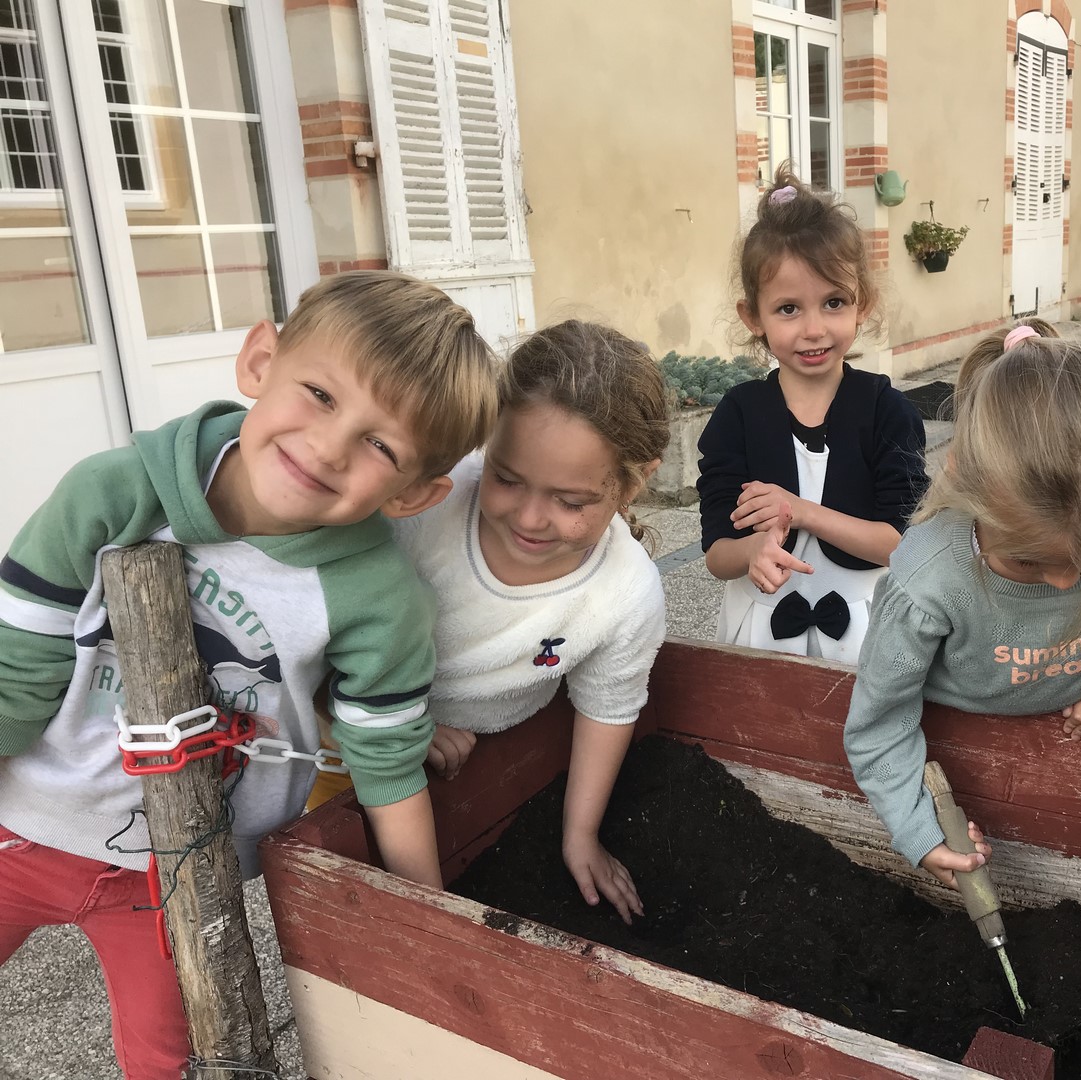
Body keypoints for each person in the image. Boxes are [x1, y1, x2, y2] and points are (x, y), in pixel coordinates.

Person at [0, 270, 496, 1079]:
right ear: (261, 360)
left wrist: (426, 922)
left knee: (179, 1061)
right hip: (18, 819)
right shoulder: (110, 493)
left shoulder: (380, 599)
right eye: (320, 394)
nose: (329, 447)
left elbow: (386, 765)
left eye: (381, 446)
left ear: (415, 494)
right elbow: (17, 672)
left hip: (181, 874)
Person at [845, 324, 1081, 888]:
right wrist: (917, 827)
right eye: (1027, 561)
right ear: (965, 484)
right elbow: (879, 721)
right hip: (954, 728)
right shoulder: (928, 580)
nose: (1067, 582)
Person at [378, 320, 668, 926]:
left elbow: (609, 708)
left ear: (635, 482)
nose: (531, 518)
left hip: (491, 754)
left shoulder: (628, 592)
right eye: (506, 479)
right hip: (364, 733)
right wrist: (401, 727)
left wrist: (580, 834)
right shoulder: (423, 508)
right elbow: (331, 633)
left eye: (571, 502)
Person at [697, 164, 929, 664]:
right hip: (759, 633)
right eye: (788, 309)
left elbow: (899, 543)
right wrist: (751, 551)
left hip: (865, 635)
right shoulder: (738, 415)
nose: (814, 328)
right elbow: (716, 553)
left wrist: (799, 511)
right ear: (752, 317)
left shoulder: (888, 412)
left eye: (833, 302)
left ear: (863, 304)